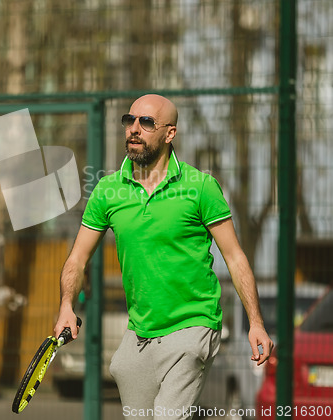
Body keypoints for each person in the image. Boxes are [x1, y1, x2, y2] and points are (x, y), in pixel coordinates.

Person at [53, 94, 273, 419]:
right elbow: (77, 259)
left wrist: (256, 323)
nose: (134, 129)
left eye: (146, 122)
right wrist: (66, 307)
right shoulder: (108, 191)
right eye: (130, 121)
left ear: (170, 133)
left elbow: (236, 257)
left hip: (193, 324)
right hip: (139, 332)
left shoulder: (200, 187)